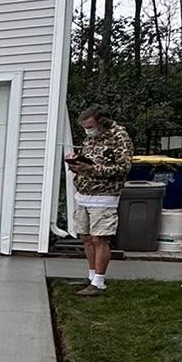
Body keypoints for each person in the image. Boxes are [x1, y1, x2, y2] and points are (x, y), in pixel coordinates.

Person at [65, 106, 133, 296]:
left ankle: (100, 283)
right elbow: (88, 161)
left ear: (102, 122)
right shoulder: (90, 139)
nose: (88, 131)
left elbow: (123, 167)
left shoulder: (119, 136)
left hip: (104, 196)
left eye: (90, 126)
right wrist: (76, 165)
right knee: (86, 238)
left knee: (99, 238)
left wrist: (92, 170)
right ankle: (91, 277)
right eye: (85, 128)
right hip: (83, 194)